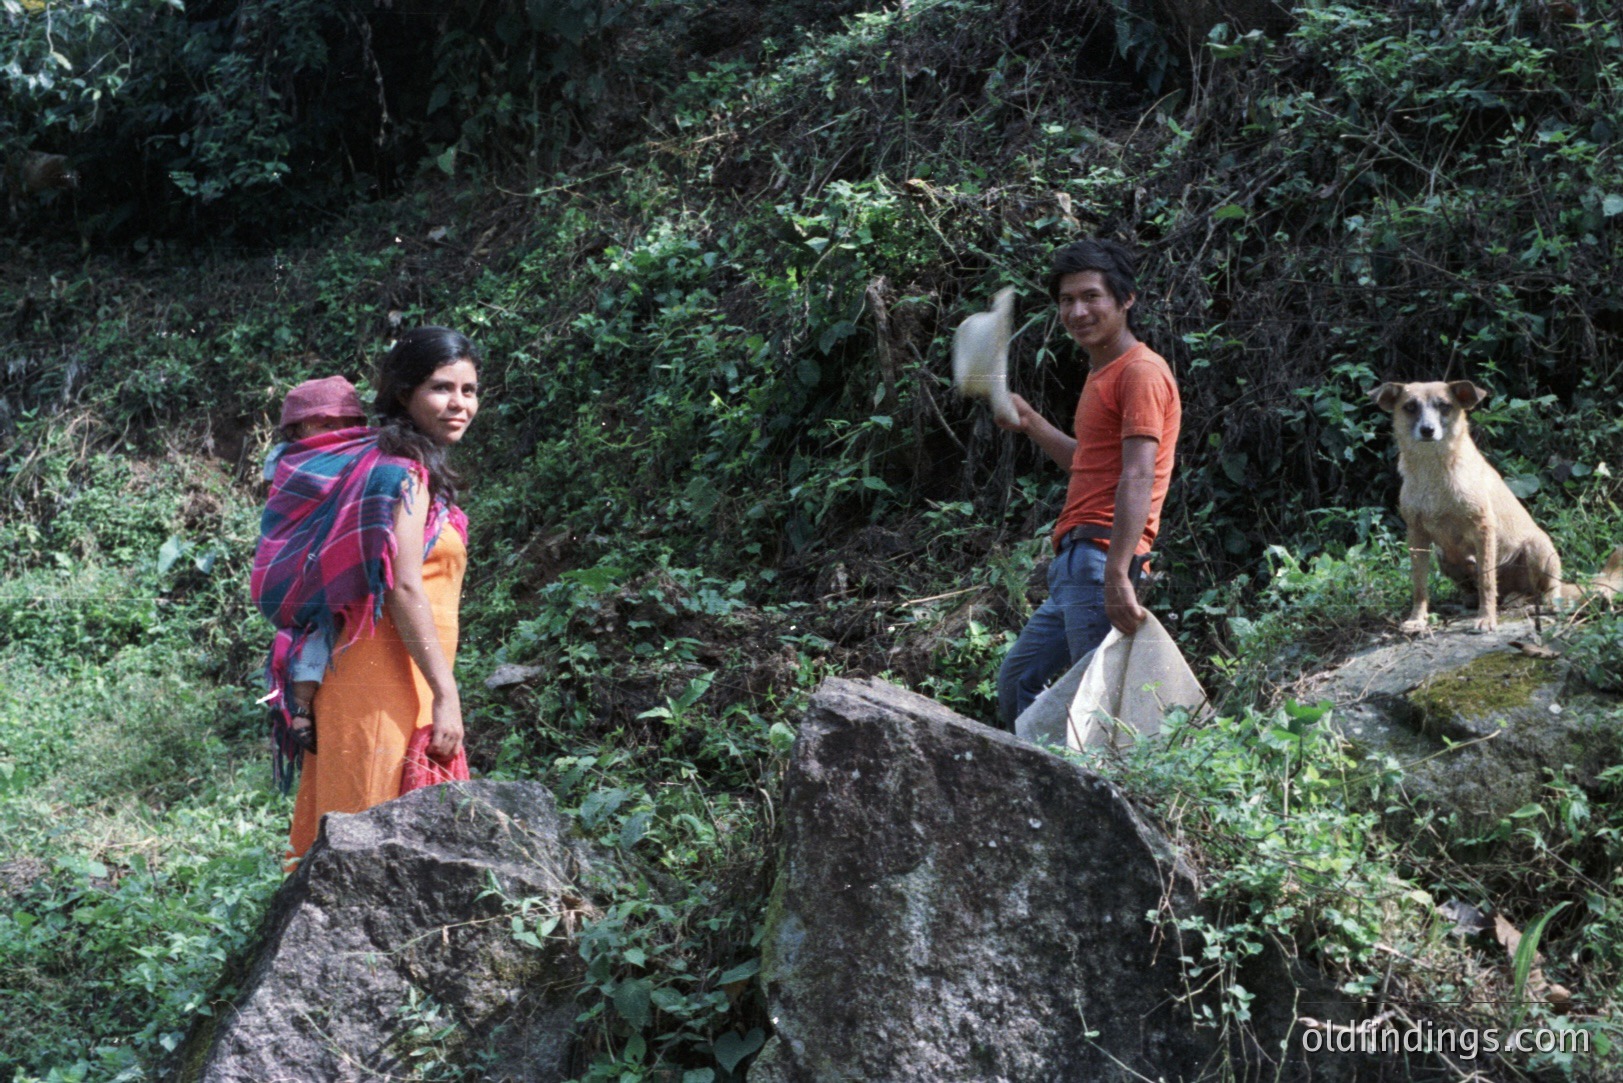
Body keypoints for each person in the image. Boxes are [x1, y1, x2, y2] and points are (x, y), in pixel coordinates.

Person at [252, 327, 480, 862]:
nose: (459, 403)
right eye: (441, 388)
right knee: (369, 837)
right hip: (378, 682)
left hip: (408, 676)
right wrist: (447, 696)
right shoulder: (398, 472)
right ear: (404, 395)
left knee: (394, 838)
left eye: (469, 390)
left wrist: (438, 690)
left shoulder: (407, 469)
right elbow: (402, 585)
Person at [994, 238, 1181, 730]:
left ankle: (1085, 794)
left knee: (1097, 710)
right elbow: (1091, 463)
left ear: (1125, 299)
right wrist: (1032, 421)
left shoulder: (1139, 371)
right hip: (1076, 564)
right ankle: (1029, 781)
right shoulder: (1104, 373)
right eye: (1066, 300)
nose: (1078, 311)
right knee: (1017, 679)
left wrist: (1119, 573)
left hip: (1100, 557)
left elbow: (1139, 473)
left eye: (1091, 296)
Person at [261, 375, 370, 758]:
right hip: (296, 571)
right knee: (319, 632)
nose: (339, 432)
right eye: (326, 424)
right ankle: (300, 708)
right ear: (298, 429)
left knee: (322, 634)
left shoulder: (366, 455)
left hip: (323, 566)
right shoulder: (297, 463)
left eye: (348, 423)